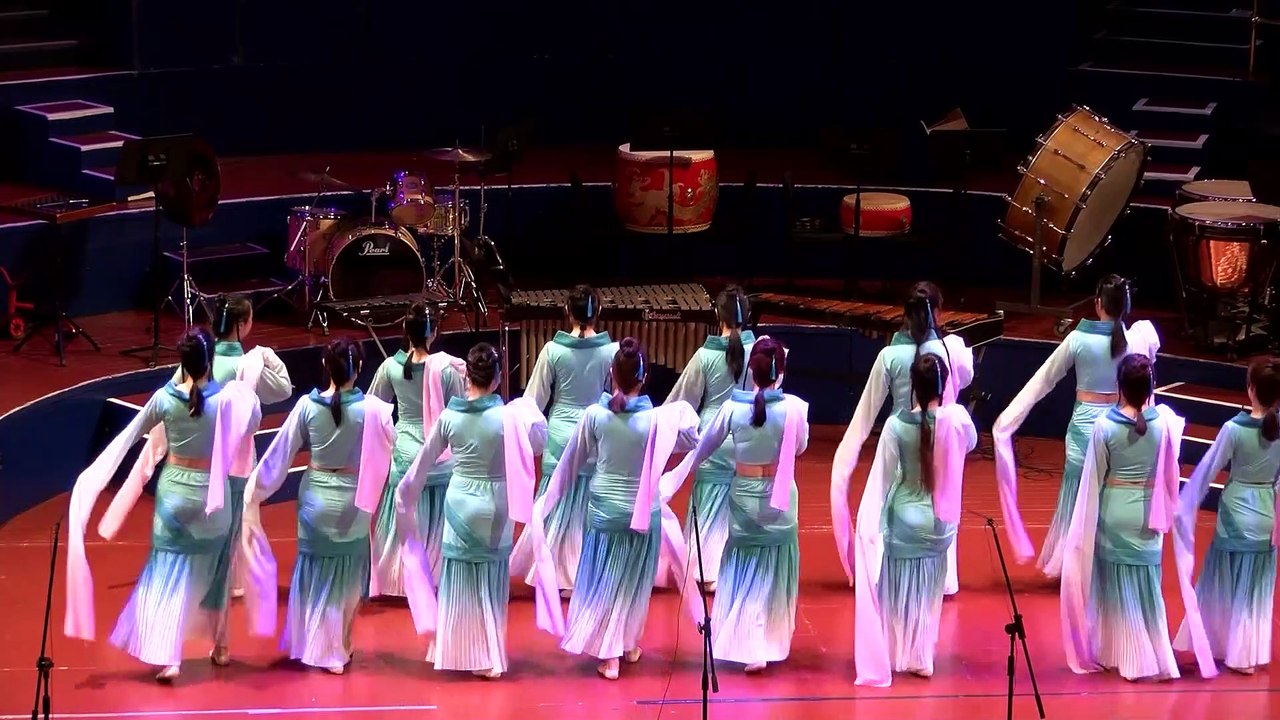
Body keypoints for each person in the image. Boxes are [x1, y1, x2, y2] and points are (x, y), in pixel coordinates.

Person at [64, 327, 261, 681]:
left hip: (173, 495)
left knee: (168, 571)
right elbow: (254, 421)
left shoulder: (164, 398)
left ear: (182, 363)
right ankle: (221, 646)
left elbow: (129, 436)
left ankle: (170, 656)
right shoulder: (228, 400)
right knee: (217, 573)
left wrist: (91, 478)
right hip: (211, 502)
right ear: (210, 361)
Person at [530, 338, 700, 679]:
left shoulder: (596, 416)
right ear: (645, 375)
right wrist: (682, 415)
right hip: (641, 514)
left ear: (611, 375)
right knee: (630, 583)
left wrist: (545, 504)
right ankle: (624, 642)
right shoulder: (657, 420)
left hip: (605, 510)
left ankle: (611, 652)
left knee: (603, 581)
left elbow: (570, 463)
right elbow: (692, 440)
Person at [394, 343, 548, 679]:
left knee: (459, 576)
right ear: (496, 379)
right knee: (490, 579)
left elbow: (422, 464)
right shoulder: (510, 417)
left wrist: (403, 494)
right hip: (496, 505)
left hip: (460, 500)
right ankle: (489, 654)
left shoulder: (450, 417)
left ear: (468, 378)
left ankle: (455, 647)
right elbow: (539, 444)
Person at [241, 337, 394, 675]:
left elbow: (278, 455)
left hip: (315, 498)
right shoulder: (374, 410)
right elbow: (389, 451)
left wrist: (254, 490)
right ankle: (339, 642)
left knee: (316, 572)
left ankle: (317, 642)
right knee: (349, 574)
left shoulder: (307, 408)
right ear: (359, 369)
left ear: (327, 367)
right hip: (353, 501)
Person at [1059, 354, 1216, 681]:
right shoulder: (1167, 424)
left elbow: (1093, 478)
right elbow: (1172, 471)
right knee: (1146, 586)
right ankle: (1148, 651)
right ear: (1151, 386)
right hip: (1149, 515)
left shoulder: (1105, 427)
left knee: (1114, 585)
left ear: (1119, 387)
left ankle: (1121, 653)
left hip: (1115, 511)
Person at [127, 294, 292, 599]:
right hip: (235, 459)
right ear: (242, 324)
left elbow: (173, 391)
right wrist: (267, 356)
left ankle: (194, 576)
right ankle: (223, 582)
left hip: (196, 454)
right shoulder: (247, 364)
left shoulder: (199, 357)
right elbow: (283, 389)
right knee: (230, 520)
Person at [992, 274, 1160, 575]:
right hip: (1118, 428)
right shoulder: (1137, 338)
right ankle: (1100, 563)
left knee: (1076, 493)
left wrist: (1008, 419)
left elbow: (1043, 380)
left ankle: (1071, 564)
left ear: (1098, 304)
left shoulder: (1078, 339)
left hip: (1084, 427)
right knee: (1106, 491)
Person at [661, 338, 809, 673]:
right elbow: (799, 448)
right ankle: (767, 639)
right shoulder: (796, 410)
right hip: (781, 500)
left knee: (744, 566)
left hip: (743, 498)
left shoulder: (731, 409)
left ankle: (749, 639)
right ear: (780, 374)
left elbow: (703, 448)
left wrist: (672, 476)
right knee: (773, 567)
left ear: (751, 373)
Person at [831, 281, 973, 595]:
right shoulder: (948, 350)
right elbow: (959, 388)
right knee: (938, 502)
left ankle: (883, 569)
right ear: (936, 312)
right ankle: (941, 577)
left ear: (904, 314)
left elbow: (866, 412)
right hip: (938, 441)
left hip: (898, 440)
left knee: (882, 504)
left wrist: (847, 453)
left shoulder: (889, 355)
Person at [851, 353, 976, 686]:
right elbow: (971, 443)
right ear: (944, 384)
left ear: (912, 388)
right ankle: (921, 654)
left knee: (896, 587)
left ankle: (894, 651)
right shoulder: (958, 420)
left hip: (903, 517)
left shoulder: (895, 425)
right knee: (927, 589)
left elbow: (885, 473)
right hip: (938, 521)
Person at [1173, 357, 1280, 674]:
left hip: (1235, 511)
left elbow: (1206, 470)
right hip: (1265, 515)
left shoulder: (1233, 429)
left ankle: (1214, 643)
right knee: (1253, 589)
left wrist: (1184, 503)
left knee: (1220, 579)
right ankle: (1244, 654)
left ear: (1250, 389)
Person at [511, 284, 619, 595]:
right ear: (597, 312)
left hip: (560, 435)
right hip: (596, 435)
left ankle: (554, 573)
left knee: (557, 507)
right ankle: (587, 572)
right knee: (589, 503)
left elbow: (533, 401)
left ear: (567, 312)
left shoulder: (551, 351)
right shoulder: (611, 352)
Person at [367, 302, 465, 597]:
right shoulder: (447, 370)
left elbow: (373, 408)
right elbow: (458, 415)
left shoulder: (390, 368)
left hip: (405, 456)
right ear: (433, 332)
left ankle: (396, 578)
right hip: (439, 458)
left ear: (405, 331)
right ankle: (436, 572)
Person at [663, 285, 757, 592]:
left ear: (718, 315)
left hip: (712, 436)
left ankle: (705, 570)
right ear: (748, 315)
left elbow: (682, 401)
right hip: (747, 435)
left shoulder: (705, 355)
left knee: (706, 505)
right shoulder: (761, 351)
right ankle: (736, 569)